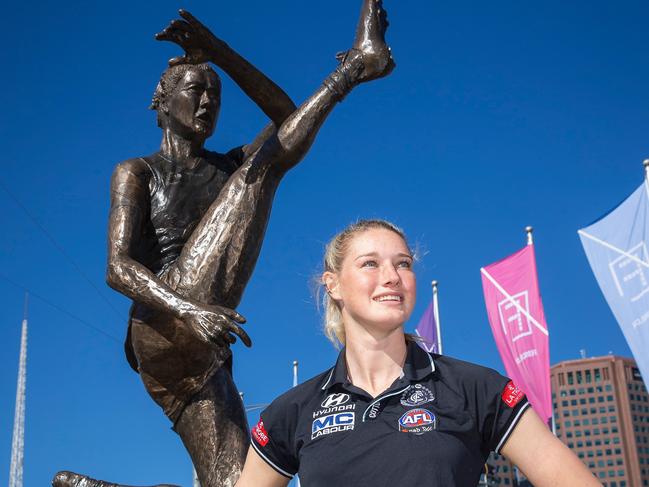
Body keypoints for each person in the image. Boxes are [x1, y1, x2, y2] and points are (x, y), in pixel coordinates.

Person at [53, 2, 395, 487]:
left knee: (238, 484)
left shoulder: (226, 165)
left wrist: (218, 53)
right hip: (163, 323)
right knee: (261, 169)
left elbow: (287, 117)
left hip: (203, 357)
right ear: (163, 101)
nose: (209, 102)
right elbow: (117, 267)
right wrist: (188, 310)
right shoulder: (138, 172)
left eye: (216, 94)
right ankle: (358, 65)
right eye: (197, 90)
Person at [237, 220, 601, 486]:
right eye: (370, 263)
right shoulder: (293, 410)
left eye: (403, 263)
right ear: (333, 285)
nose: (393, 276)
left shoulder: (475, 387)